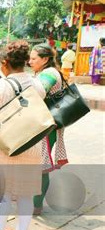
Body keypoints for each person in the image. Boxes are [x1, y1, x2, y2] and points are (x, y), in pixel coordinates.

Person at [0, 40, 45, 230]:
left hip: (7, 146)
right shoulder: (38, 83)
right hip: (32, 144)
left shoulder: (2, 85)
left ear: (5, 63)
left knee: (3, 192)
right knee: (26, 191)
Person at [29, 43, 69, 215]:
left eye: (33, 58)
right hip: (44, 123)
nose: (30, 61)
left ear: (45, 59)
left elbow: (38, 91)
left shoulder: (49, 73)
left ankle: (36, 205)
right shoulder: (42, 72)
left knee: (41, 165)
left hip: (47, 126)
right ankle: (33, 201)